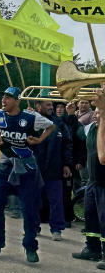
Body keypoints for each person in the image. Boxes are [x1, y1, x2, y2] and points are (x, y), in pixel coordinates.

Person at [0, 87, 55, 263]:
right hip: (4, 165)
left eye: (8, 98)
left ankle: (30, 247)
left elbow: (51, 126)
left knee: (29, 209)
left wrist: (39, 139)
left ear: (18, 101)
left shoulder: (30, 117)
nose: (4, 101)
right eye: (3, 97)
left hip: (26, 166)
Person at [72, 102, 105, 270]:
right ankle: (92, 248)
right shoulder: (90, 128)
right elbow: (74, 132)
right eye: (96, 113)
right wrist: (71, 114)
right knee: (90, 216)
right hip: (92, 181)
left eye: (99, 113)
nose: (95, 115)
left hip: (104, 183)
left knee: (104, 219)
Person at [34, 100, 72, 241]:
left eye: (52, 105)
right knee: (34, 199)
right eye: (48, 105)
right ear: (38, 106)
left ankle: (56, 229)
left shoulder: (59, 123)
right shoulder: (31, 121)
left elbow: (67, 143)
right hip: (35, 168)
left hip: (55, 168)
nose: (51, 107)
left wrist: (67, 164)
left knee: (56, 201)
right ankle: (33, 227)